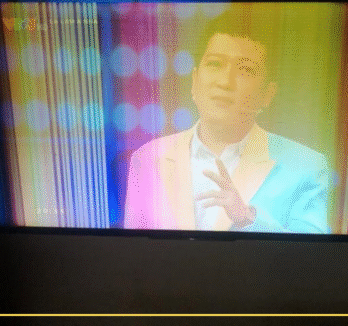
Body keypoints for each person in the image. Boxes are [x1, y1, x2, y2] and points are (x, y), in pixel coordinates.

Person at [124, 18, 330, 233]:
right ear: (195, 80)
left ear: (267, 95)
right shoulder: (147, 159)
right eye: (215, 64)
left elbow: (312, 252)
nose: (225, 82)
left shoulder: (306, 167)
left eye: (245, 70)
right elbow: (133, 248)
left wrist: (248, 219)